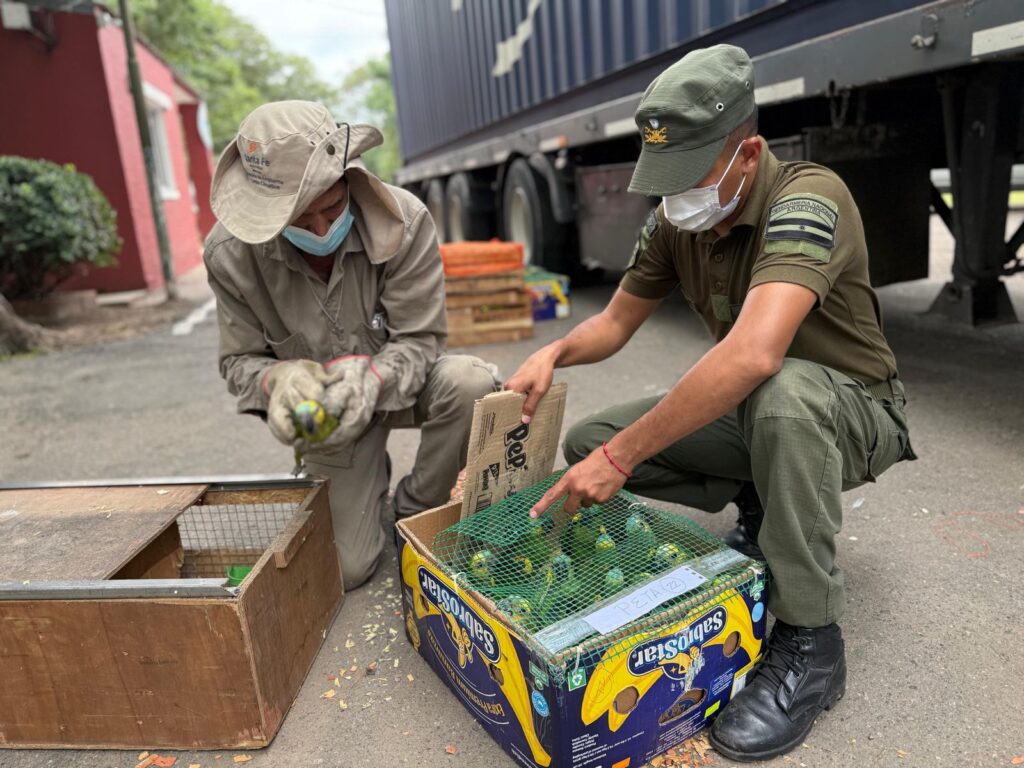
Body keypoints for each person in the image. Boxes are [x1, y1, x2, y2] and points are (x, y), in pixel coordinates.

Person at [506, 45, 916, 762]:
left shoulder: (808, 198)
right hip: (769, 411)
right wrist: (555, 352)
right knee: (589, 440)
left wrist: (621, 457)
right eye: (663, 182)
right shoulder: (680, 222)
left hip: (853, 413)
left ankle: (812, 640)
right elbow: (616, 321)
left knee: (776, 394)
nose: (673, 200)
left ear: (747, 155)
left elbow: (754, 354)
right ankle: (763, 509)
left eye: (689, 177)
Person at [205, 100, 499, 590]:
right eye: (302, 220)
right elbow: (238, 361)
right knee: (347, 570)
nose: (322, 230)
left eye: (332, 208)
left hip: (400, 383)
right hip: (330, 418)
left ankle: (415, 507)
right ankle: (362, 473)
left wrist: (374, 376)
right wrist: (277, 379)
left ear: (349, 178)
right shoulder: (230, 255)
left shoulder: (406, 220)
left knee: (470, 382)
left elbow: (420, 338)